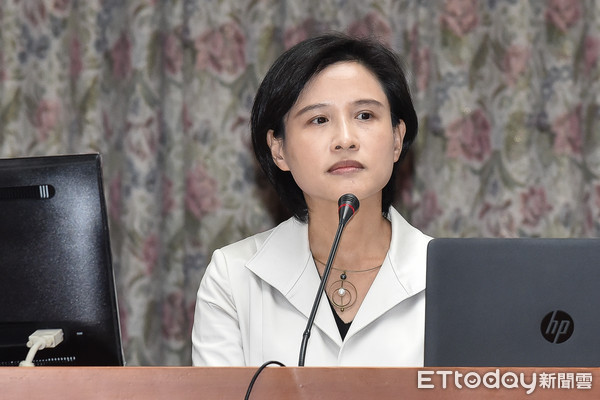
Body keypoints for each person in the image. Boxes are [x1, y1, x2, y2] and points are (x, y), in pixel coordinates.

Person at [191, 32, 431, 367]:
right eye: (319, 119)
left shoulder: (453, 279)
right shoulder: (233, 277)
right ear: (279, 150)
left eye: (365, 115)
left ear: (396, 139)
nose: (345, 140)